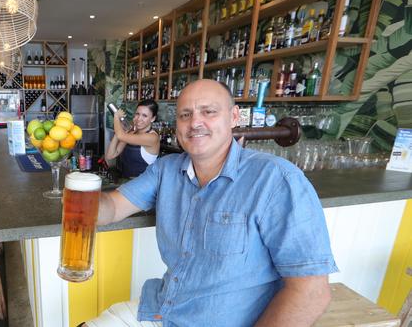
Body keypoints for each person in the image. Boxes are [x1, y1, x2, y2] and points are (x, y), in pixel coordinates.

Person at [87, 80, 337, 327]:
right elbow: (113, 207)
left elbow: (311, 292)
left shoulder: (276, 179)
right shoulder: (166, 170)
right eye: (186, 114)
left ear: (233, 117)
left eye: (209, 112)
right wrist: (82, 200)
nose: (195, 122)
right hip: (162, 313)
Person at [104, 99, 160, 178]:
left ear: (153, 118)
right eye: (137, 114)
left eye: (144, 115)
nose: (139, 118)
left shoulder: (152, 137)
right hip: (127, 183)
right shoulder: (131, 134)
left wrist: (116, 117)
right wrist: (121, 130)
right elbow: (110, 155)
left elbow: (121, 136)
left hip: (144, 186)